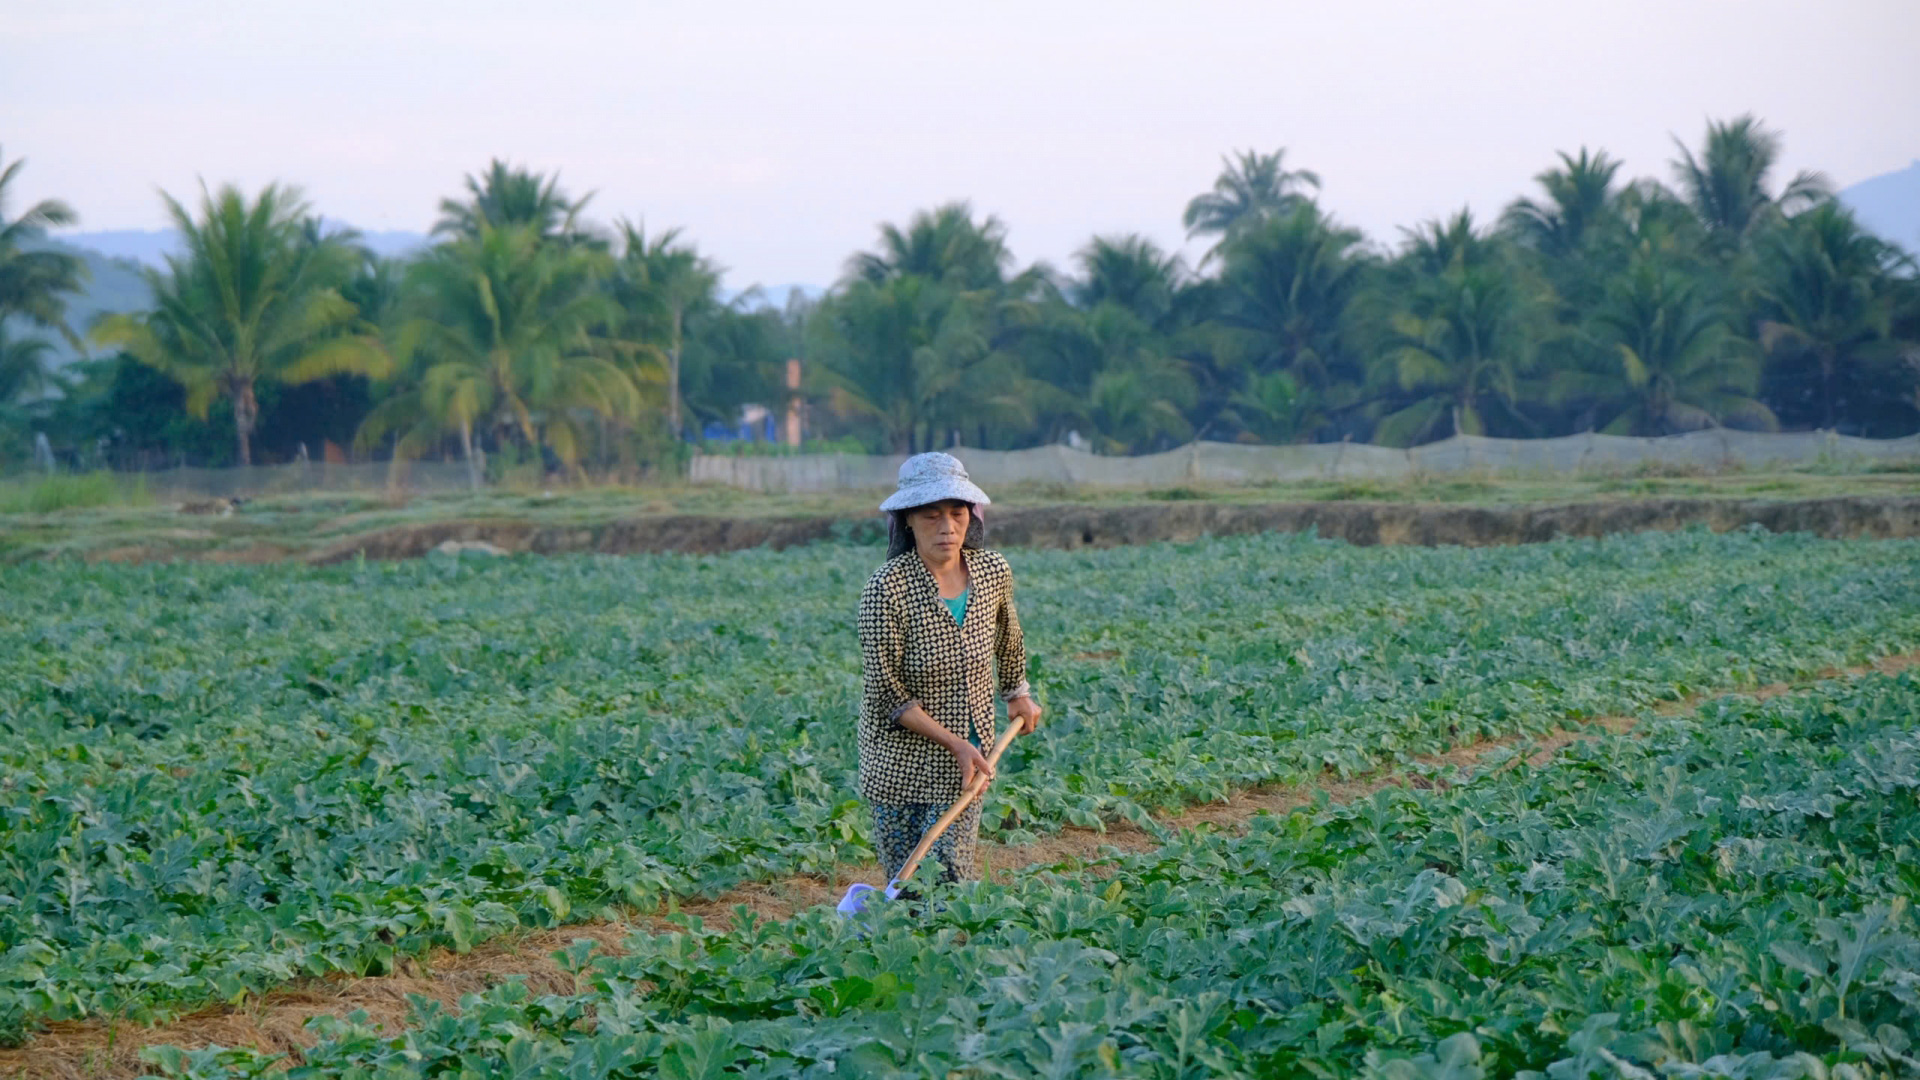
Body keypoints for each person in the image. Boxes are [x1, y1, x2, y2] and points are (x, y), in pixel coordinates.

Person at [857, 452, 1043, 889]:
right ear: (907, 520)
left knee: (950, 878)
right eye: (931, 515)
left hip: (967, 762)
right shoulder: (886, 588)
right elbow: (889, 695)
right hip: (898, 763)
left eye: (957, 513)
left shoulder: (992, 571)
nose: (947, 527)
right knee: (907, 889)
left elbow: (1007, 634)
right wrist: (954, 744)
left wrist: (1017, 689)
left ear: (970, 515)